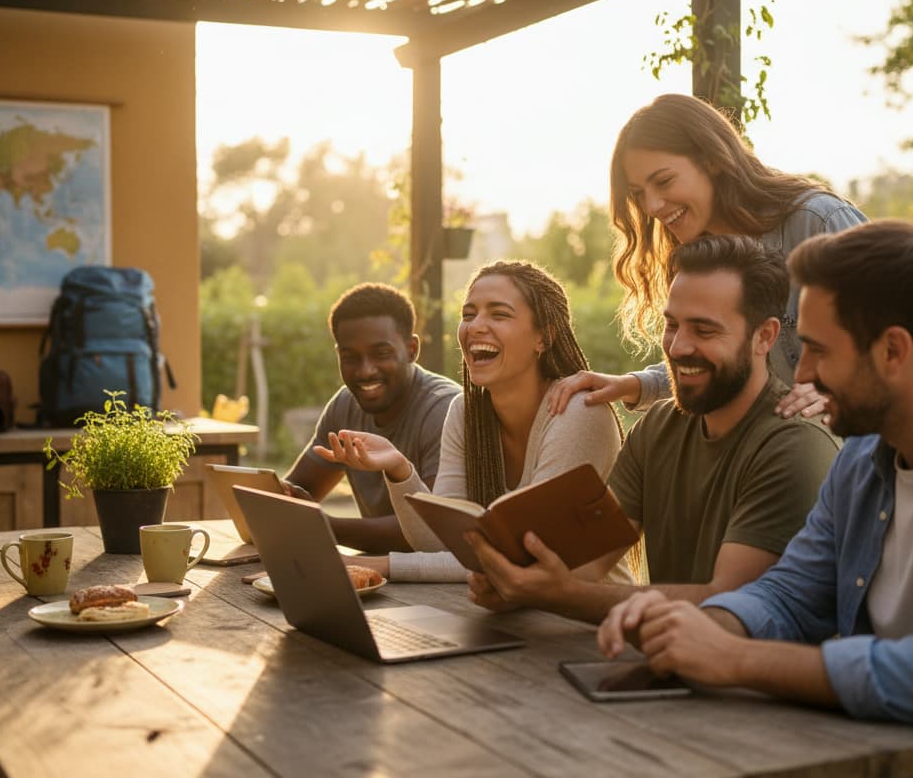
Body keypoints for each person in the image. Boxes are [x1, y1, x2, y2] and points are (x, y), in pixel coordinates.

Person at [598, 220, 913, 777]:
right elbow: (790, 595)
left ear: (892, 351)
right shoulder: (863, 459)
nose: (803, 373)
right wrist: (697, 626)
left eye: (816, 350)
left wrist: (736, 658)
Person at [466, 236, 839, 621]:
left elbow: (726, 602)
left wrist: (557, 594)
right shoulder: (658, 428)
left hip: (756, 676)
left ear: (765, 337)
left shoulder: (794, 447)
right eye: (672, 325)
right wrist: (516, 583)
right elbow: (586, 563)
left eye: (704, 331)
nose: (678, 347)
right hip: (665, 661)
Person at [547, 93, 866, 419]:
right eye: (639, 194)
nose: (653, 206)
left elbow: (907, 327)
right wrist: (633, 385)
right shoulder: (697, 254)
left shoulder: (817, 220)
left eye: (664, 181)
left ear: (712, 160)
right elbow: (719, 358)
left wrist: (836, 384)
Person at [316, 261, 633, 583]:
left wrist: (380, 565)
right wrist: (399, 469)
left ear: (544, 336)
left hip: (591, 622)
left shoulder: (579, 411)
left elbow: (521, 560)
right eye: (469, 315)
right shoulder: (466, 412)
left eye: (499, 314)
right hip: (504, 614)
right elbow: (439, 543)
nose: (476, 327)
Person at [282, 282, 459, 553]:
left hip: (439, 586)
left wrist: (328, 527)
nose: (365, 371)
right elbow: (297, 491)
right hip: (380, 575)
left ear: (412, 349)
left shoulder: (444, 409)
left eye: (381, 354)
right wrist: (275, 498)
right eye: (350, 357)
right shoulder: (345, 405)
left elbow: (431, 528)